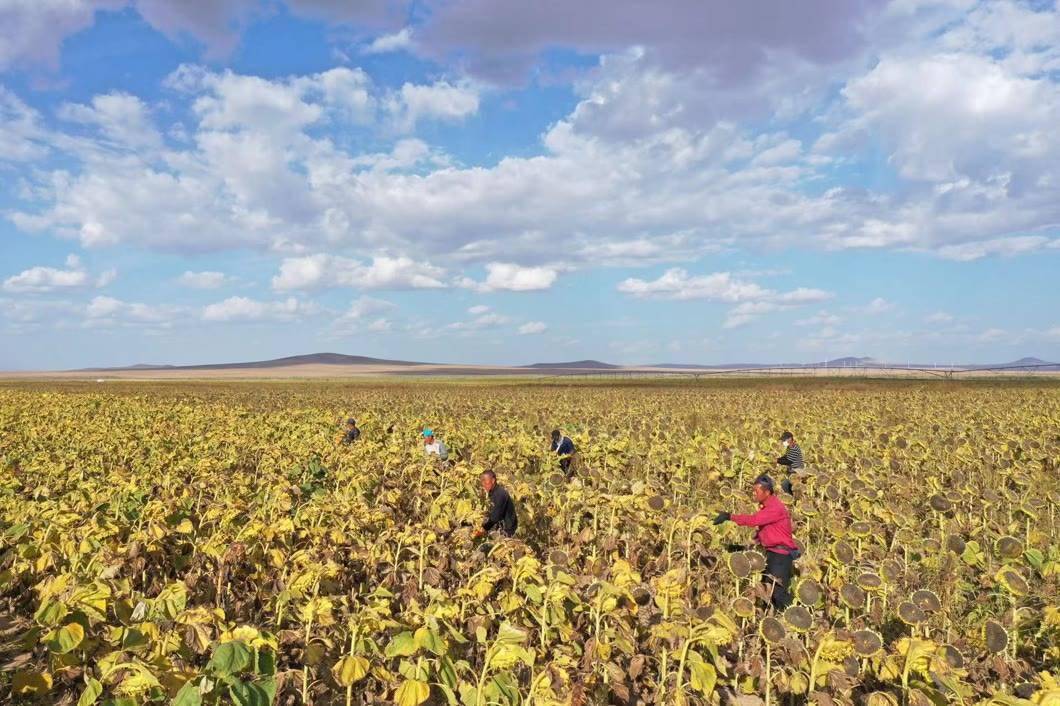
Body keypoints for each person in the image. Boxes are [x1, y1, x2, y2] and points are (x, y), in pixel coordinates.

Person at [714, 475, 798, 610]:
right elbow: (767, 531)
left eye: (756, 491)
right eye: (753, 490)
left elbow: (753, 520)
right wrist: (745, 545)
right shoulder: (767, 507)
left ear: (767, 492)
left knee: (777, 594)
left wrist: (729, 516)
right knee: (766, 591)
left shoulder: (775, 508)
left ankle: (791, 615)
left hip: (780, 556)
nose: (753, 493)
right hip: (773, 554)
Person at [473, 470, 518, 538]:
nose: (483, 483)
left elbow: (495, 518)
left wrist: (483, 529)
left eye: (485, 480)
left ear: (493, 480)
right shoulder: (493, 492)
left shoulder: (500, 494)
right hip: (501, 528)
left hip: (507, 531)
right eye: (482, 481)